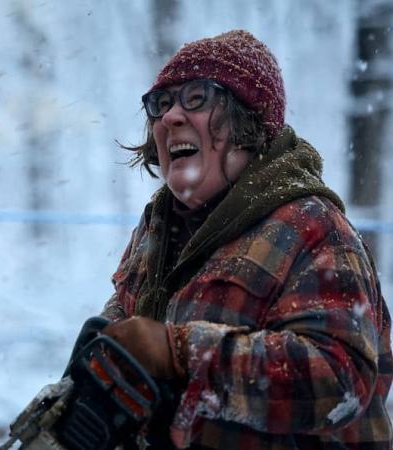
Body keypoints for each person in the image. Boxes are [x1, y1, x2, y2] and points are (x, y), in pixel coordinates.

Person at [100, 30, 393, 449]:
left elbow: (339, 380)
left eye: (196, 98)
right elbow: (122, 344)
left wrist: (181, 353)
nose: (169, 118)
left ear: (248, 119)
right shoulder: (157, 229)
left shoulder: (314, 228)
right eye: (160, 105)